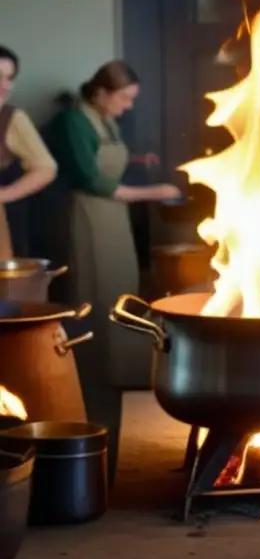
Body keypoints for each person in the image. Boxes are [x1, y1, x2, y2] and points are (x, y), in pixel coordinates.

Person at [47, 62, 182, 392]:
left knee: (120, 283)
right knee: (94, 286)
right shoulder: (73, 121)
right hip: (88, 212)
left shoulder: (105, 120)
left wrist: (137, 162)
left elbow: (106, 161)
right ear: (101, 93)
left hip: (114, 215)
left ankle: (124, 370)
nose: (129, 106)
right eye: (124, 98)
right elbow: (90, 178)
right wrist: (155, 192)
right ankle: (95, 376)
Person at [0, 46, 58, 258]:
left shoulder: (12, 119)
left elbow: (46, 169)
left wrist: (4, 195)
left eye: (9, 78)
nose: (5, 86)